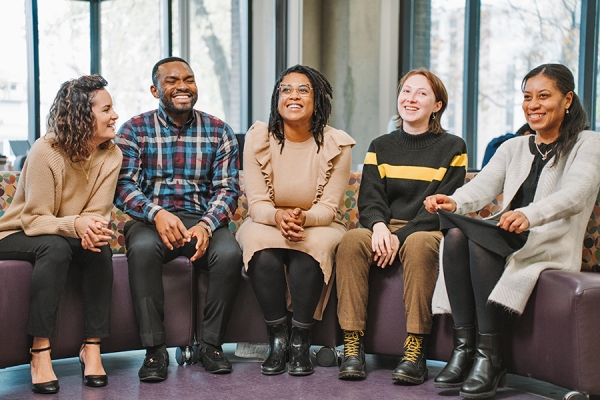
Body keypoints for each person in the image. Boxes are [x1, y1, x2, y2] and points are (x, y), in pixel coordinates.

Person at [424, 63, 600, 399]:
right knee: (456, 231)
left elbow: (575, 195)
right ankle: (465, 349)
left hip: (547, 241)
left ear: (567, 100)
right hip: (507, 234)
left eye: (543, 96)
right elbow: (482, 188)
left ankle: (491, 357)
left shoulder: (588, 143)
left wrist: (529, 215)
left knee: (476, 240)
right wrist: (454, 201)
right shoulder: (514, 147)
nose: (533, 104)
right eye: (527, 97)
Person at [335, 68, 468, 383]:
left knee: (421, 244)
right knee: (352, 241)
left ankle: (416, 349)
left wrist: (400, 236)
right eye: (406, 91)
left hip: (427, 227)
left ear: (437, 105)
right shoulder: (381, 145)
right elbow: (369, 199)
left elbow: (442, 205)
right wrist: (381, 228)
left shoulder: (453, 147)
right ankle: (352, 345)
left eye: (422, 93)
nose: (411, 99)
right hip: (384, 226)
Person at [114, 57, 242, 382]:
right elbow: (123, 185)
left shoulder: (219, 131)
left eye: (189, 79)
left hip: (201, 218)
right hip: (150, 220)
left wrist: (207, 224)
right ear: (155, 89)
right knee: (141, 251)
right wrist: (156, 214)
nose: (182, 86)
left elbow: (227, 189)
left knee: (229, 254)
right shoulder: (133, 130)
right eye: (171, 80)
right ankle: (155, 350)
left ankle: (211, 345)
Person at [0, 75, 122, 394]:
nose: (115, 115)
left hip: (62, 234)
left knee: (100, 247)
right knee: (54, 248)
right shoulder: (46, 150)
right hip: (17, 232)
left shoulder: (112, 155)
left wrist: (89, 228)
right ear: (84, 114)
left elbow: (96, 214)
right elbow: (35, 218)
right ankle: (40, 351)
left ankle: (91, 348)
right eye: (107, 109)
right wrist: (76, 225)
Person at [235, 65, 355, 376]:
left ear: (318, 101)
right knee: (259, 246)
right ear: (277, 98)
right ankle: (278, 340)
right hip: (266, 219)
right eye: (286, 89)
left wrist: (303, 218)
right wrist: (277, 216)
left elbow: (329, 207)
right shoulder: (258, 138)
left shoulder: (336, 144)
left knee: (310, 246)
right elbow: (257, 202)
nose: (293, 96)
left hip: (319, 222)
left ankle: (301, 339)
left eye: (303, 90)